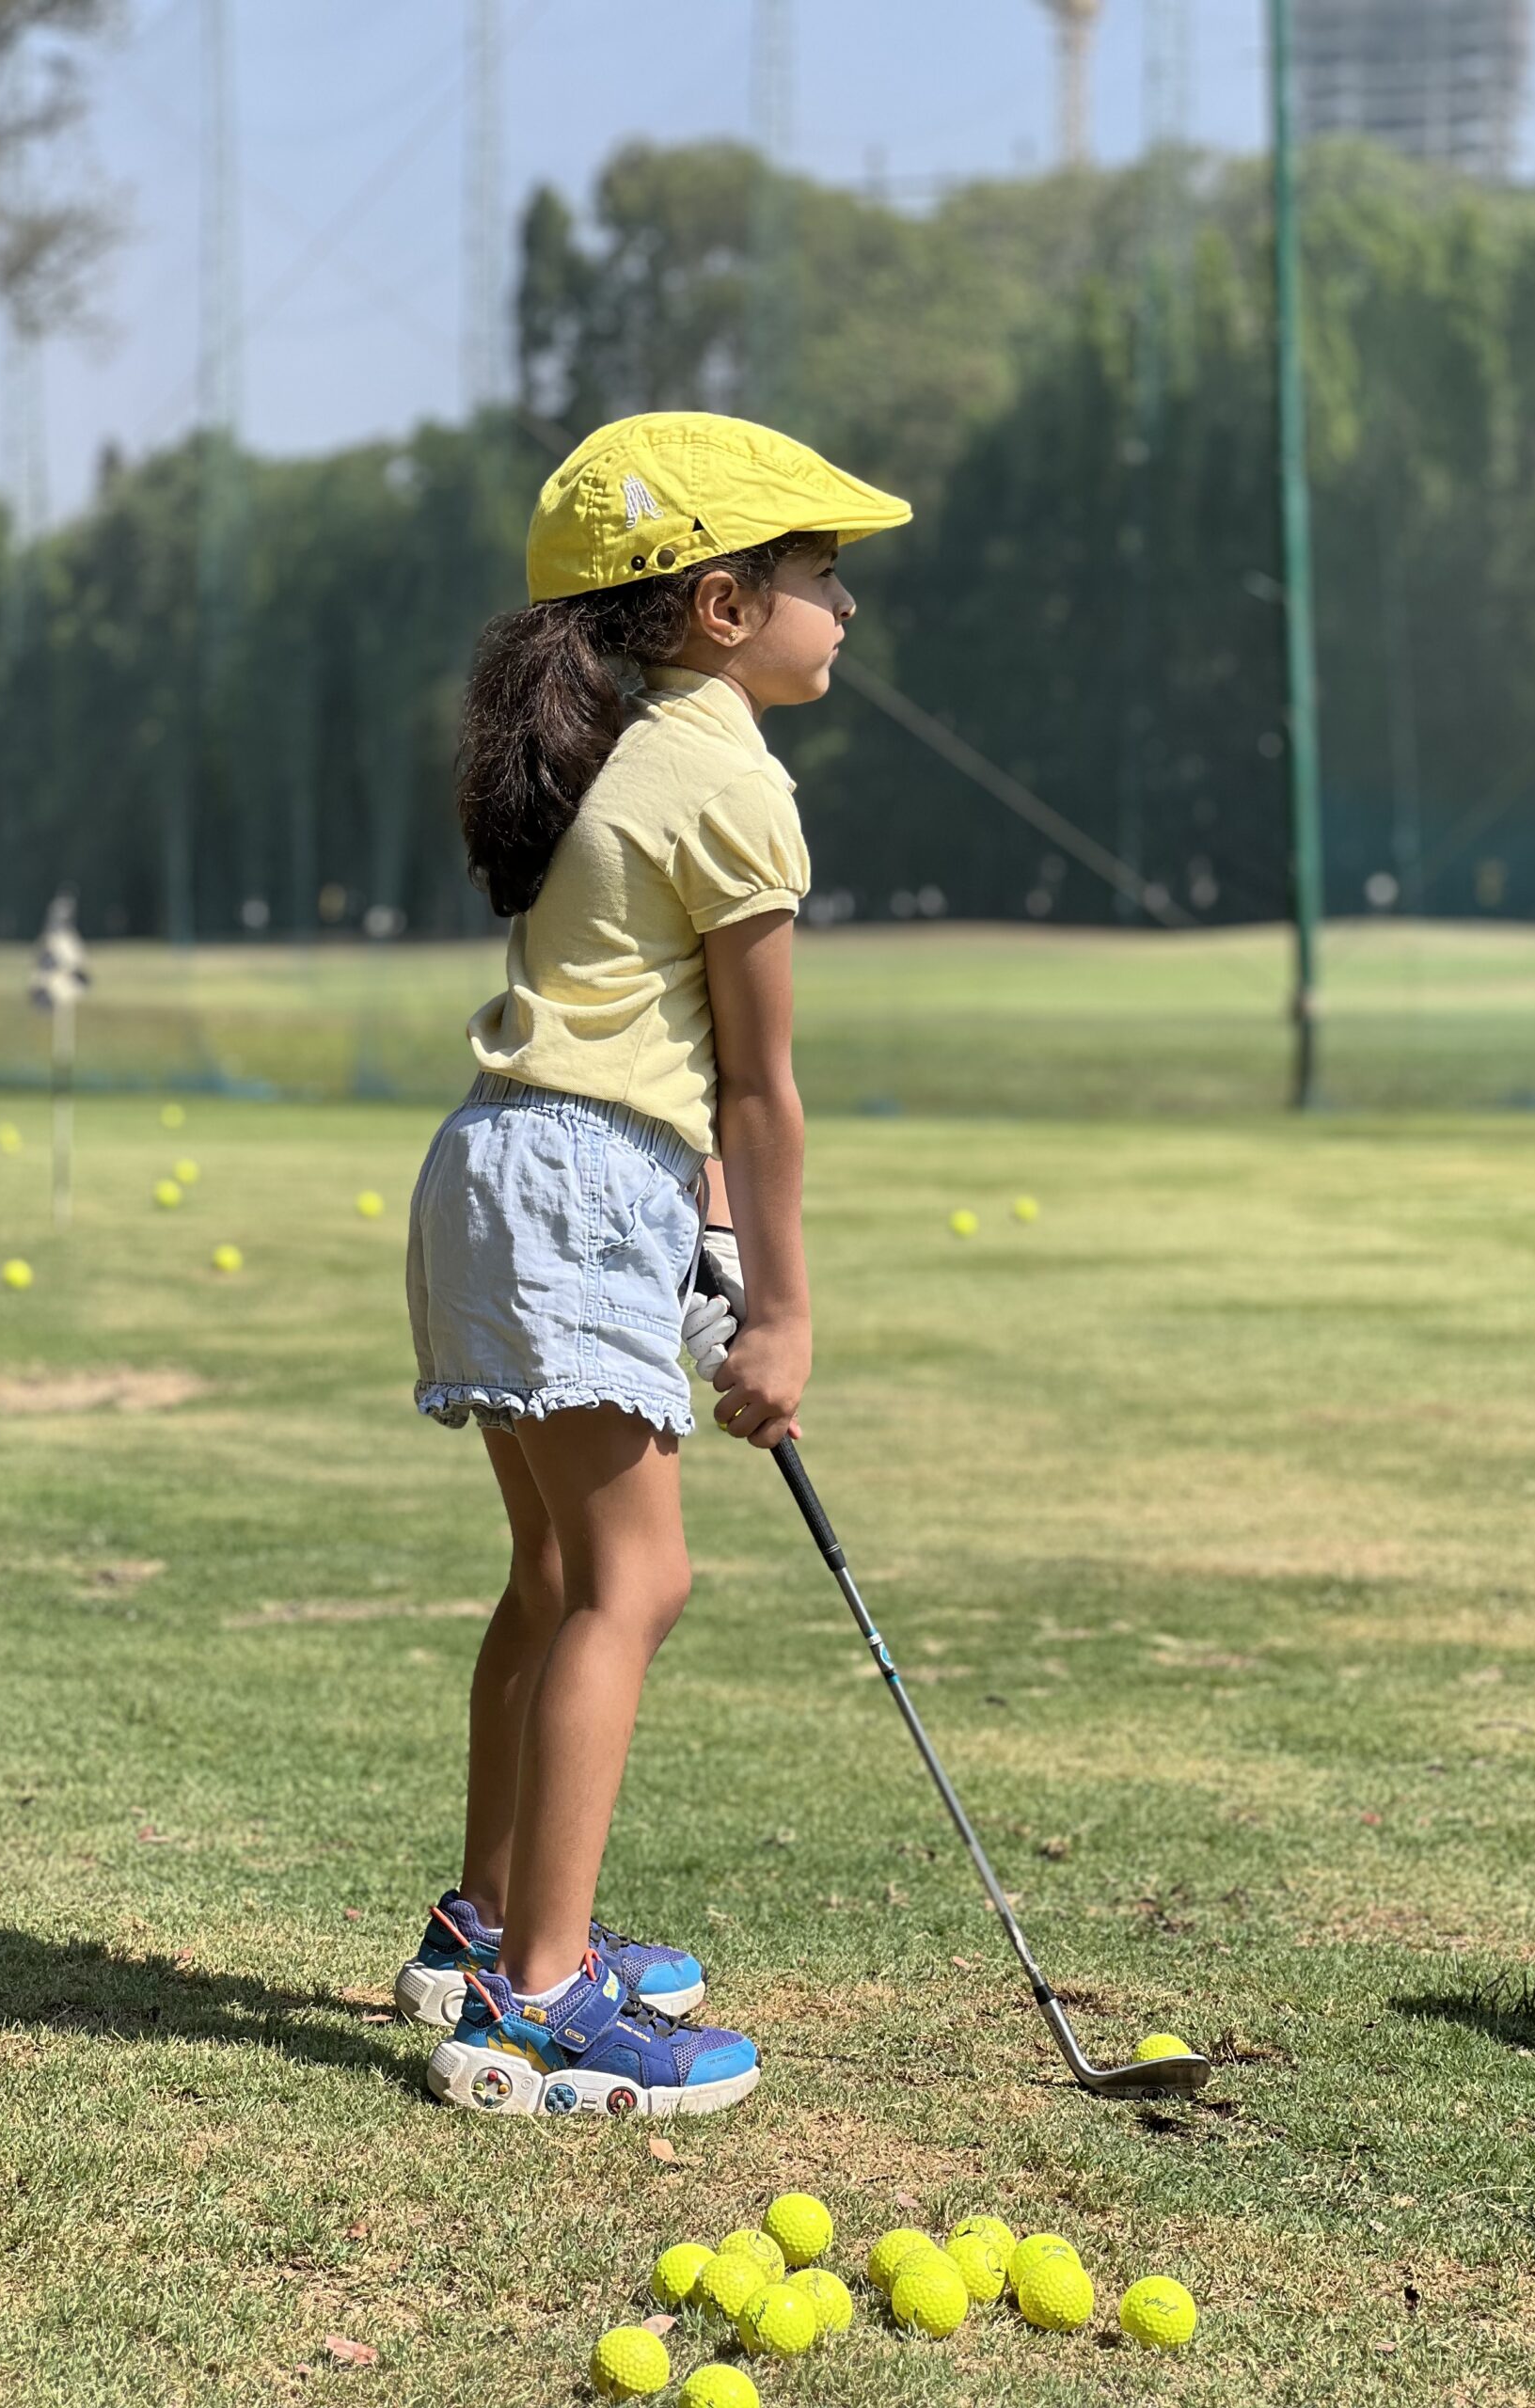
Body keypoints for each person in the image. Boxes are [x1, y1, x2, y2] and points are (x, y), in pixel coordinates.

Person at [395, 412, 910, 2117]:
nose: (844, 605)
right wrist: (784, 1314)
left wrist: (701, 1232)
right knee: (639, 1581)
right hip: (574, 1186)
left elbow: (646, 1041)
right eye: (821, 573)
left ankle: (490, 1927)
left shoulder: (623, 752)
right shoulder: (728, 778)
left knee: (557, 1571)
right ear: (721, 604)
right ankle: (542, 2002)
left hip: (499, 1164)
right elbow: (759, 1091)